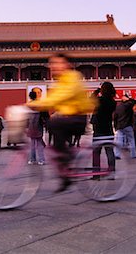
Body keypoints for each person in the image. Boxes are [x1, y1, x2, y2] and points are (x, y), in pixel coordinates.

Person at [28, 53, 95, 192]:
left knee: (53, 124)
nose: (54, 67)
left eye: (58, 63)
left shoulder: (73, 78)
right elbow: (55, 98)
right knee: (54, 128)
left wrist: (34, 104)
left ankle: (67, 157)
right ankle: (65, 175)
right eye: (52, 64)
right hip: (67, 118)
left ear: (67, 64)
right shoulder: (60, 82)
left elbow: (62, 96)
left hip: (77, 118)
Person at [91, 82, 117, 179]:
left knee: (96, 153)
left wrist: (97, 90)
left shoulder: (100, 100)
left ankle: (96, 175)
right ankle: (111, 174)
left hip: (98, 130)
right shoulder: (113, 102)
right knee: (109, 152)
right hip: (108, 129)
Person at [113, 94, 136, 159]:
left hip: (119, 126)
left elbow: (115, 117)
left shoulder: (118, 107)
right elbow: (134, 102)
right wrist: (129, 99)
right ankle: (133, 154)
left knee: (119, 141)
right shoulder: (129, 105)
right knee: (131, 140)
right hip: (128, 125)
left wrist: (115, 127)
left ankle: (117, 155)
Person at [27, 91, 46, 165]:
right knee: (39, 144)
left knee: (32, 145)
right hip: (39, 126)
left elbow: (26, 118)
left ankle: (32, 159)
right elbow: (45, 115)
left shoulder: (28, 105)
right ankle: (41, 160)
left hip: (31, 127)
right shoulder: (40, 105)